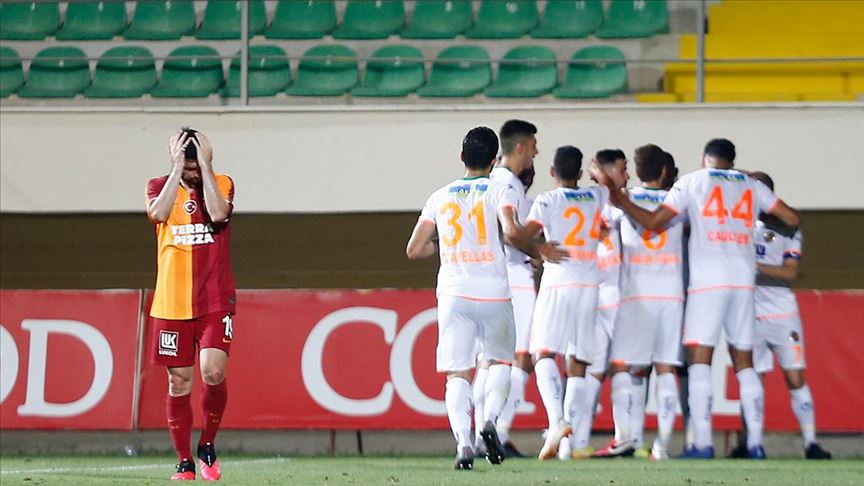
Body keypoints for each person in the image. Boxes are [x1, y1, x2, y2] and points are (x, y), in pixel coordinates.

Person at [595, 138, 800, 459]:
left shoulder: (693, 182)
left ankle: (702, 443)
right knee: (744, 362)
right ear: (732, 160)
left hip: (707, 282)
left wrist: (620, 201)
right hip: (744, 281)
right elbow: (791, 218)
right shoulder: (751, 185)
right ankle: (756, 445)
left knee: (699, 360)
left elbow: (653, 223)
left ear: (705, 159)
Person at [406, 127, 566, 470]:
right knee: (499, 363)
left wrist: (443, 246)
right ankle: (490, 421)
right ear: (494, 160)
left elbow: (414, 249)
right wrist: (537, 251)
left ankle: (463, 445)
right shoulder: (498, 189)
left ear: (461, 157)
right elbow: (511, 231)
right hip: (493, 291)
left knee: (457, 374)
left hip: (454, 292)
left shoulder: (439, 196)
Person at [146, 128, 236, 481]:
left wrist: (207, 167)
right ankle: (184, 461)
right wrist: (175, 169)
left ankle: (207, 444)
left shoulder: (221, 183)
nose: (193, 171)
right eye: (189, 164)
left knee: (213, 372)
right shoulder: (158, 186)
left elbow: (218, 213)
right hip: (171, 302)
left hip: (214, 299)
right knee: (178, 382)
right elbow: (158, 214)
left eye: (197, 164)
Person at [524, 146, 609, 460]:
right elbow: (608, 205)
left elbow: (525, 233)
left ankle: (556, 422)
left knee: (543, 352)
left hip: (559, 280)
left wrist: (540, 248)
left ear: (552, 172)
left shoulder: (547, 200)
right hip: (589, 284)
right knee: (578, 362)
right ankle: (566, 446)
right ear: (580, 173)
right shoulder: (597, 196)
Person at [737, 172, 831, 460]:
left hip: (782, 313)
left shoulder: (788, 227)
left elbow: (790, 272)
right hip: (749, 314)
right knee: (752, 378)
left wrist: (752, 266)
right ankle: (753, 444)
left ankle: (811, 442)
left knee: (795, 377)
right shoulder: (738, 222)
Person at [605, 144, 686, 460]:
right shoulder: (678, 201)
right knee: (666, 367)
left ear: (636, 171)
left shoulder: (623, 201)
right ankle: (662, 446)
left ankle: (625, 437)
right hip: (671, 293)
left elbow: (598, 227)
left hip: (636, 294)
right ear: (665, 171)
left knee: (623, 366)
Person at [565, 149, 629, 460]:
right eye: (622, 170)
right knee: (619, 366)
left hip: (591, 290)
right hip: (610, 292)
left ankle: (576, 441)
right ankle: (624, 436)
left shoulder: (581, 202)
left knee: (592, 370)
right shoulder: (613, 203)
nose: (626, 176)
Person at [486, 120, 539, 458]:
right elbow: (510, 231)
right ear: (520, 147)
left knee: (489, 359)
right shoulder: (508, 183)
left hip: (490, 275)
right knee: (521, 357)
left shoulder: (491, 179)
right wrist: (540, 251)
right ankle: (497, 430)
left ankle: (479, 433)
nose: (536, 151)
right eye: (533, 145)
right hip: (513, 276)